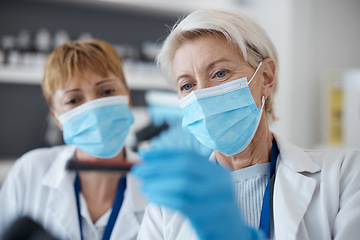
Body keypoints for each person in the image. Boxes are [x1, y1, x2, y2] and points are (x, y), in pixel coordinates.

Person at [132, 9, 360, 240]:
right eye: (187, 86)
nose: (202, 97)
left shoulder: (344, 176)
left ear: (266, 77)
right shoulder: (164, 209)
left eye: (220, 73)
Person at [0, 39, 147, 240]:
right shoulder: (29, 173)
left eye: (106, 91)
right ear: (57, 119)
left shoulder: (160, 189)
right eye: (74, 100)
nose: (94, 108)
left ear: (128, 99)